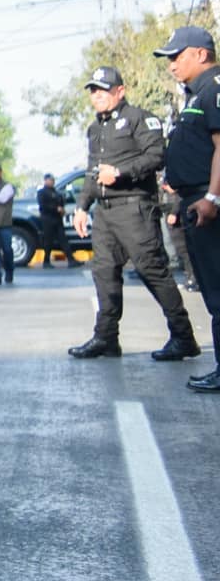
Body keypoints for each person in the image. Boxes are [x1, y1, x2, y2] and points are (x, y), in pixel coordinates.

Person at [67, 66, 200, 362]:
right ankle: (106, 338)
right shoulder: (95, 129)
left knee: (151, 270)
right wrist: (81, 205)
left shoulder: (140, 118)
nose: (97, 96)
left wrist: (121, 172)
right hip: (105, 213)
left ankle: (183, 336)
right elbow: (92, 170)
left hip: (134, 207)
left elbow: (156, 156)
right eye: (93, 91)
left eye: (103, 90)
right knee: (104, 272)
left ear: (120, 91)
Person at [155, 26, 220, 392]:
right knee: (213, 291)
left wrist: (212, 198)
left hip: (208, 202)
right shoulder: (198, 94)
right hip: (194, 200)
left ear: (200, 53)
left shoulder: (214, 89)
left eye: (177, 57)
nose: (172, 65)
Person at [34, 175, 70, 265]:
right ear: (45, 181)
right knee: (48, 241)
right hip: (47, 218)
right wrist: (55, 208)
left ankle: (71, 259)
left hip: (57, 218)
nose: (52, 182)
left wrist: (61, 209)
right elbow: (43, 205)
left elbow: (61, 202)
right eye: (50, 180)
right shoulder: (41, 192)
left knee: (63, 239)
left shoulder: (56, 192)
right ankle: (46, 261)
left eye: (53, 180)